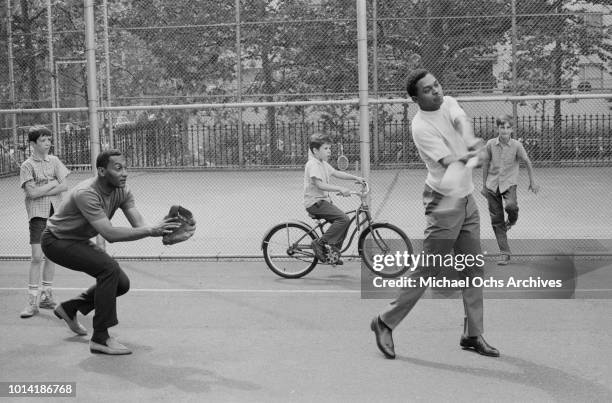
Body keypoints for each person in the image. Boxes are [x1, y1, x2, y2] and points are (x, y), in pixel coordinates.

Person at [370, 69, 500, 359]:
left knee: (473, 269)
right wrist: (476, 155)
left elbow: (459, 120)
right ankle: (384, 322)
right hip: (444, 203)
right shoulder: (420, 127)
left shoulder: (449, 101)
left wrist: (471, 139)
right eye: (428, 90)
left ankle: (472, 334)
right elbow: (451, 162)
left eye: (437, 85)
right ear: (416, 98)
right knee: (428, 268)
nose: (437, 91)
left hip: (465, 201)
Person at [41, 149, 180, 355]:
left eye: (125, 168)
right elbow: (110, 234)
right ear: (102, 171)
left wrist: (163, 230)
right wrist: (151, 231)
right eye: (118, 168)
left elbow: (139, 224)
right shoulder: (86, 193)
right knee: (109, 270)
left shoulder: (122, 190)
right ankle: (100, 338)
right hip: (56, 241)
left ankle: (69, 308)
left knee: (121, 283)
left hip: (76, 239)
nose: (124, 173)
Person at [19, 126, 70, 318]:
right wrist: (52, 184)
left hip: (56, 214)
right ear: (33, 144)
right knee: (36, 257)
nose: (48, 143)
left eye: (49, 139)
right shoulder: (27, 165)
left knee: (52, 256)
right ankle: (32, 302)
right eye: (43, 140)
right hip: (38, 216)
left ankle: (46, 297)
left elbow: (64, 185)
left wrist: (45, 187)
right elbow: (32, 193)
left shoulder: (55, 161)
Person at [481, 114, 539, 265]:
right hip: (492, 185)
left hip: (509, 184)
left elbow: (527, 161)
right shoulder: (490, 144)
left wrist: (532, 181)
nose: (505, 130)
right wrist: (484, 187)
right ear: (498, 128)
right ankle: (504, 253)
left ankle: (512, 220)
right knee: (497, 220)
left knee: (511, 206)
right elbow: (486, 165)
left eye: (508, 128)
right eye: (502, 127)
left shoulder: (516, 146)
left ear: (512, 129)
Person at [304, 133, 364, 264]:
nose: (329, 151)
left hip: (322, 202)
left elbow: (337, 173)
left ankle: (332, 255)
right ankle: (319, 244)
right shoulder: (313, 164)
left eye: (329, 148)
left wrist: (356, 178)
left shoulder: (322, 163)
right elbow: (319, 184)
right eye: (325, 148)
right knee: (343, 219)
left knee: (344, 221)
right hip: (315, 203)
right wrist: (340, 189)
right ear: (315, 151)